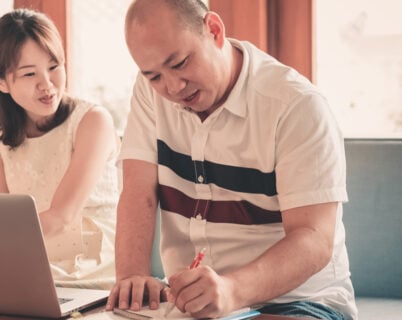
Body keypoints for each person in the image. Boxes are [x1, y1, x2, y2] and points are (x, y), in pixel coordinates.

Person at [106, 0, 357, 319]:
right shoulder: (150, 93)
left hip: (298, 302)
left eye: (181, 63)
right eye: (154, 76)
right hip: (192, 305)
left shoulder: (296, 106)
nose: (172, 87)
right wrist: (131, 278)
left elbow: (314, 239)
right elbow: (137, 191)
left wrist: (231, 290)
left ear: (214, 30)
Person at [0, 9, 120, 289]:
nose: (47, 84)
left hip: (92, 266)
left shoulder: (93, 121)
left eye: (54, 67)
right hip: (34, 259)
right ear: (0, 82)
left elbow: (62, 216)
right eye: (29, 73)